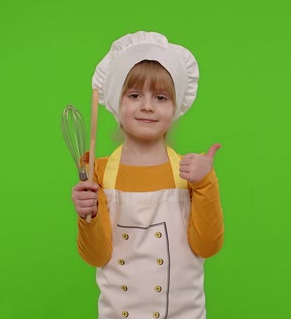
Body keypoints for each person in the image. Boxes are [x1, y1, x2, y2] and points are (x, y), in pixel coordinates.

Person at [71, 31, 224, 319]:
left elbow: (208, 246)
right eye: (134, 95)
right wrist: (86, 215)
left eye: (161, 97)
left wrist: (205, 183)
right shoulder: (99, 173)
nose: (147, 106)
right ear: (117, 103)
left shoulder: (189, 173)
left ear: (175, 108)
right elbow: (96, 256)